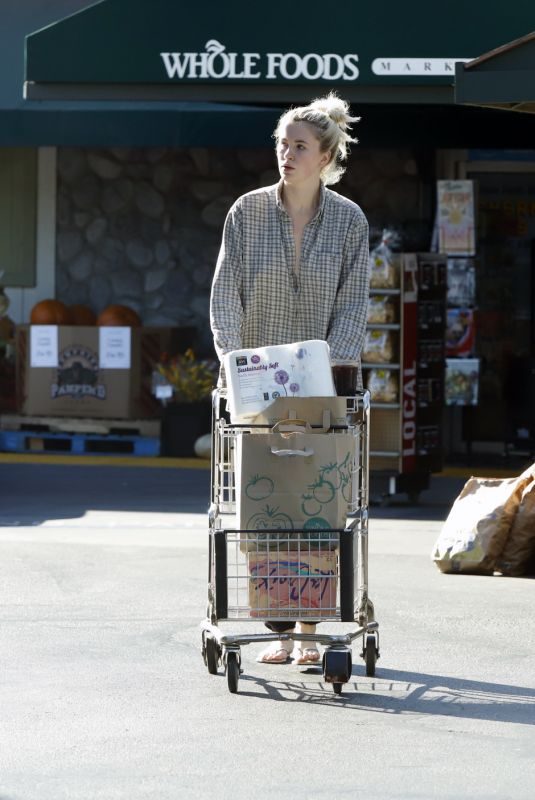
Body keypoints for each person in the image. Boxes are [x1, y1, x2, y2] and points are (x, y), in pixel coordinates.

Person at [210, 92, 370, 665]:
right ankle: (280, 630)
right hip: (257, 394)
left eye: (298, 145)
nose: (286, 153)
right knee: (264, 504)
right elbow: (225, 295)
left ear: (324, 156)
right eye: (281, 143)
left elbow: (354, 304)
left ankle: (310, 625)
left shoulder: (350, 220)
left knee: (321, 503)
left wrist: (332, 371)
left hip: (322, 391)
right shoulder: (246, 212)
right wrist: (234, 363)